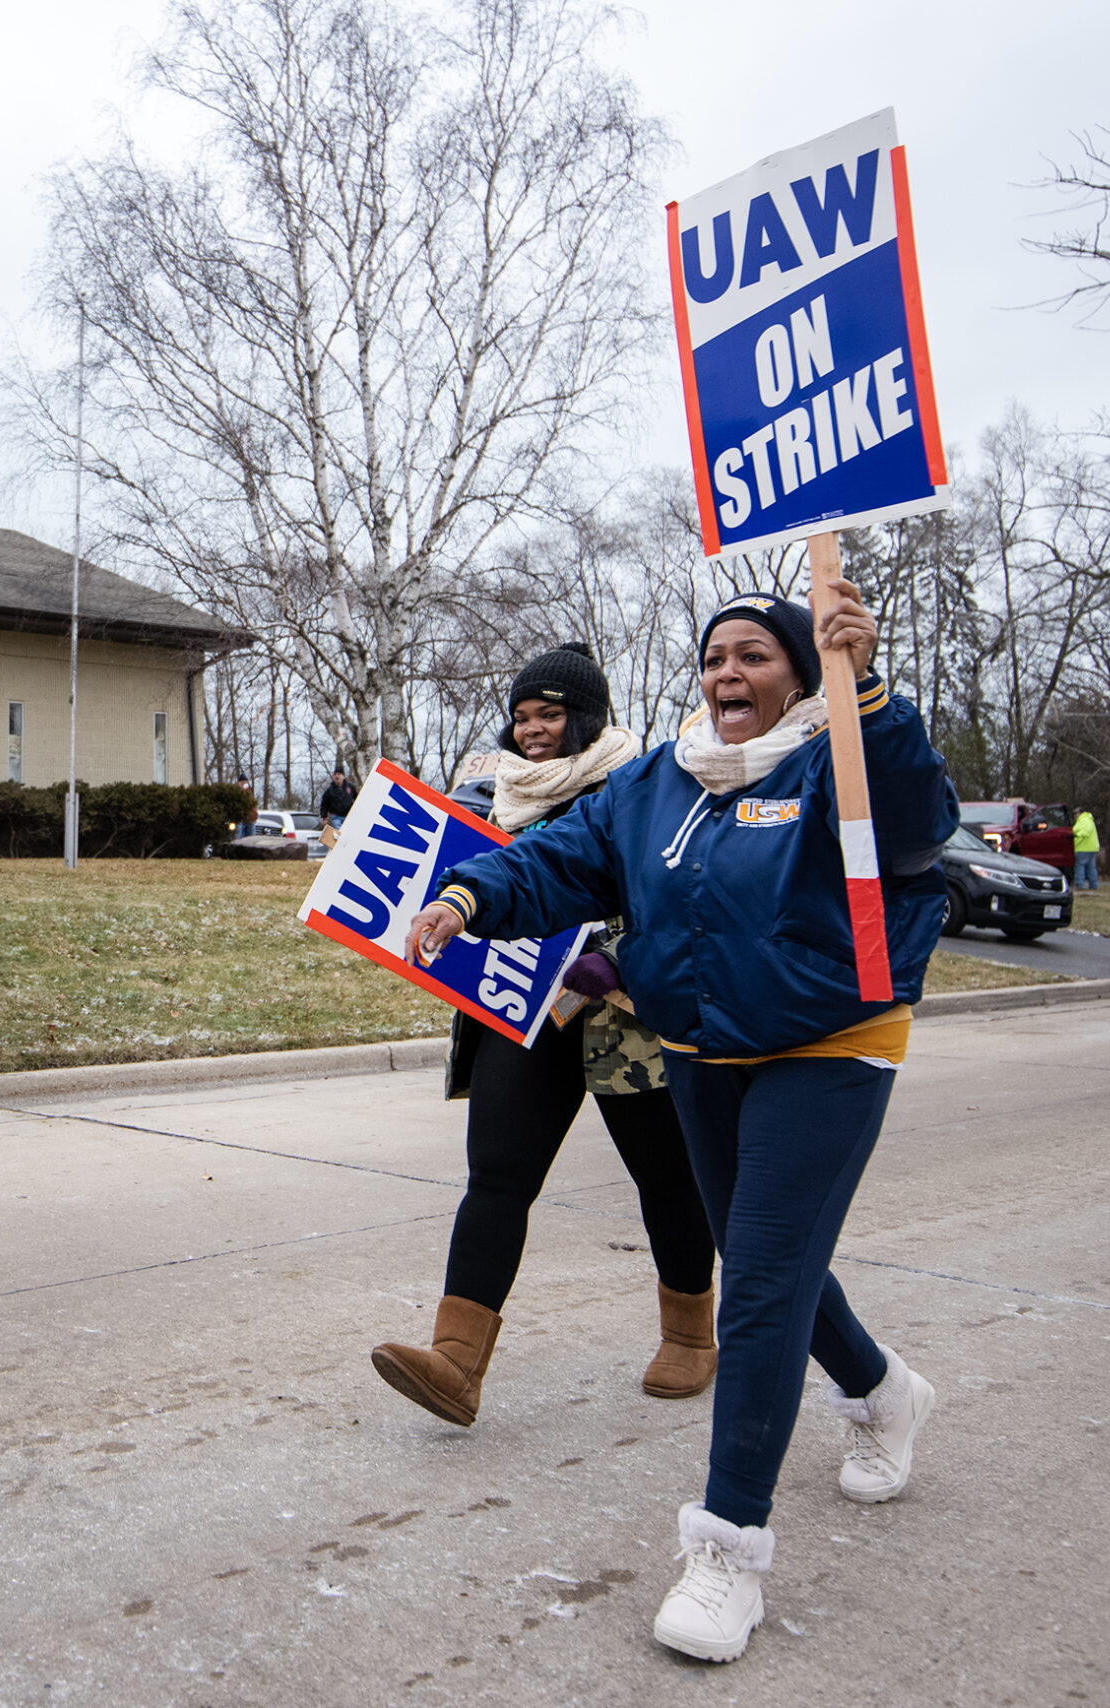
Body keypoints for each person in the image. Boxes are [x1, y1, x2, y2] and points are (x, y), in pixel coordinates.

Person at [403, 587, 957, 1666]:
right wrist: (469, 896)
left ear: (798, 671)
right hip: (702, 1046)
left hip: (833, 1041)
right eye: (713, 658)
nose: (727, 674)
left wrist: (870, 695)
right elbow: (561, 857)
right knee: (767, 1254)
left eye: (753, 655)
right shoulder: (661, 780)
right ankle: (882, 1389)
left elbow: (916, 819)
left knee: (754, 1275)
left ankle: (726, 1550)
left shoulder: (838, 753)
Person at [371, 642, 717, 1430]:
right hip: (522, 1015)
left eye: (550, 715)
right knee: (496, 1174)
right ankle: (455, 1362)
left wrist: (611, 959)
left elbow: (681, 894)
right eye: (522, 717)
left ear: (587, 718)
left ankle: (692, 1334)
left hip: (626, 1021)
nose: (531, 732)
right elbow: (467, 877)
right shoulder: (490, 797)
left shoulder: (647, 788)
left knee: (665, 1179)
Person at [317, 767, 354, 847]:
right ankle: (340, 848)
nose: (337, 776)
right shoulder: (330, 790)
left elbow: (357, 797)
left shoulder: (350, 787)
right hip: (336, 816)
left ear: (343, 776)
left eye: (339, 774)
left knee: (348, 833)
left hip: (348, 816)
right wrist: (324, 817)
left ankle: (348, 846)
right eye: (335, 775)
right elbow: (324, 804)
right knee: (338, 833)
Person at [1072, 807, 1101, 891]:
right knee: (1091, 867)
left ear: (1080, 813)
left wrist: (1076, 835)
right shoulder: (1088, 819)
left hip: (1083, 847)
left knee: (1080, 866)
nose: (1075, 815)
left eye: (1075, 813)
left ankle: (1080, 885)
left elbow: (1086, 832)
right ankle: (1093, 885)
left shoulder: (1084, 820)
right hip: (1091, 847)